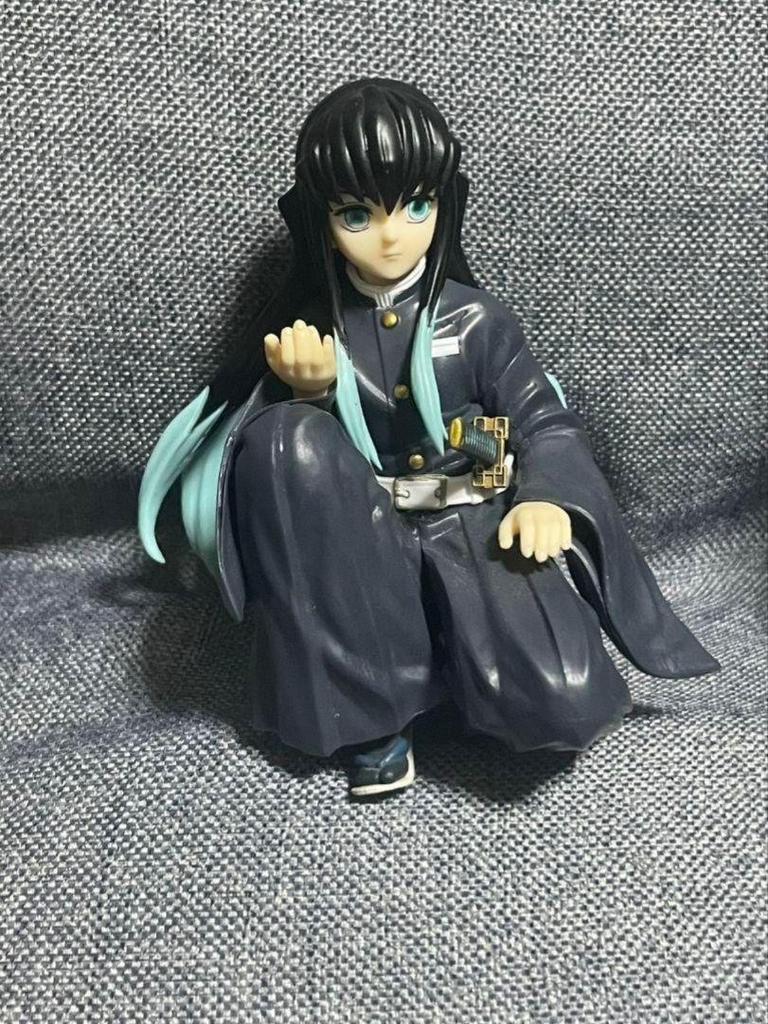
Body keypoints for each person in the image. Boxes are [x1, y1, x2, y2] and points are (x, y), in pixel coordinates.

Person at [138, 78, 719, 798]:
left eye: (415, 206)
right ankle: (373, 717)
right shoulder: (312, 331)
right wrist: (308, 394)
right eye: (358, 214)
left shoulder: (475, 322)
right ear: (320, 220)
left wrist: (543, 497)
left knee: (561, 698)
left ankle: (470, 683)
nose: (390, 236)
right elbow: (289, 481)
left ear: (445, 203)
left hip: (473, 516)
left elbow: (542, 419)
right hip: (360, 540)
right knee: (283, 440)